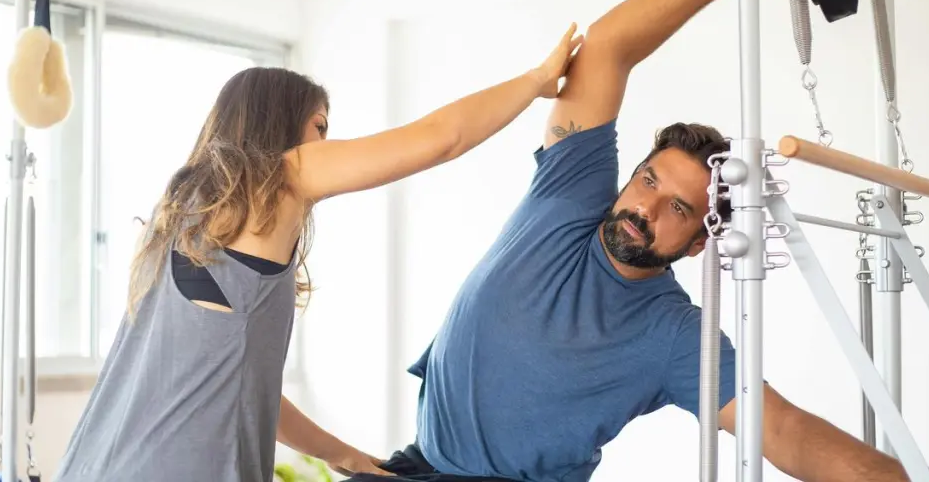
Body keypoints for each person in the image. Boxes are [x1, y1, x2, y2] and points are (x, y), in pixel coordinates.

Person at [359, 0, 929, 481]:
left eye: (679, 208)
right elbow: (605, 49)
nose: (646, 209)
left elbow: (780, 427)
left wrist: (907, 478)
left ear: (701, 240)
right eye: (649, 181)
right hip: (414, 465)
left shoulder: (676, 335)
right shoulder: (568, 197)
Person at [52, 24, 584, 482]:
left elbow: (244, 387)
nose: (329, 145)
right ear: (281, 128)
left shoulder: (181, 214)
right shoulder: (281, 178)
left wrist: (340, 453)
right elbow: (442, 138)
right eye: (321, 129)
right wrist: (537, 80)